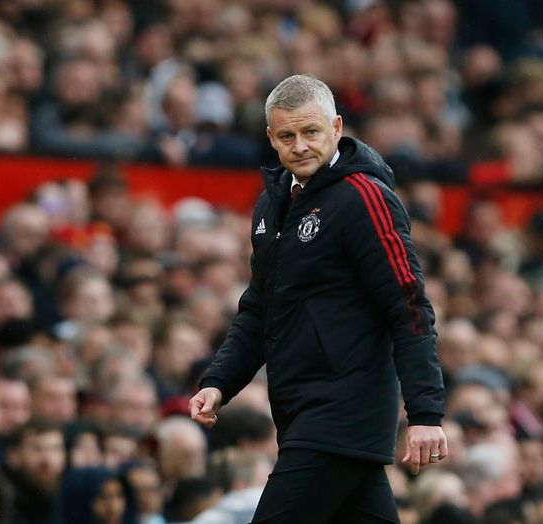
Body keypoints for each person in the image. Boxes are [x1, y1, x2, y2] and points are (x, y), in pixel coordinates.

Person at [189, 74, 447, 523]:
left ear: (337, 127)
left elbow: (409, 306)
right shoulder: (273, 204)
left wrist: (424, 412)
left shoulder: (365, 198)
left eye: (311, 132)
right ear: (271, 138)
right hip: (301, 412)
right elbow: (259, 308)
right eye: (287, 135)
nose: (300, 145)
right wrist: (219, 381)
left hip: (341, 413)